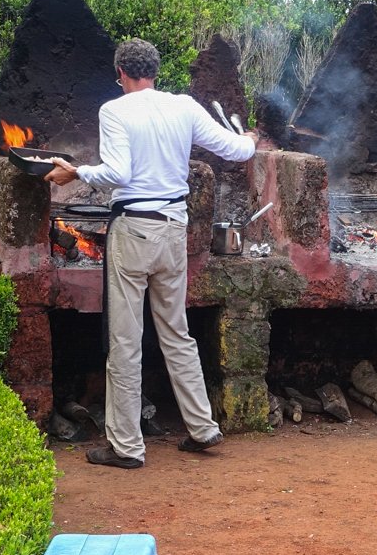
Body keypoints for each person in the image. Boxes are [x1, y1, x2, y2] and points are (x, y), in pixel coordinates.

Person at [45, 39, 256, 468]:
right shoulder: (183, 106)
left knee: (125, 340)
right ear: (155, 72)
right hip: (174, 231)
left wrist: (76, 171)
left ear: (120, 73)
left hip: (134, 229)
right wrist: (249, 139)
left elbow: (118, 172)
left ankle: (126, 447)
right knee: (176, 331)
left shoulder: (115, 110)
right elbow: (237, 150)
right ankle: (202, 427)